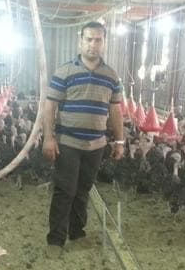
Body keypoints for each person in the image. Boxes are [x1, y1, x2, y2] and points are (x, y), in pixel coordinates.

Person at [42, 21, 125, 248]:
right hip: (68, 142)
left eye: (98, 40)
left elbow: (116, 110)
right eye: (88, 39)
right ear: (80, 41)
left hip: (96, 145)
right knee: (65, 190)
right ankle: (56, 240)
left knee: (83, 190)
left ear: (104, 42)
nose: (92, 44)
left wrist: (120, 140)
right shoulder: (64, 71)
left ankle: (77, 232)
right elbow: (50, 106)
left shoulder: (111, 75)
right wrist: (48, 137)